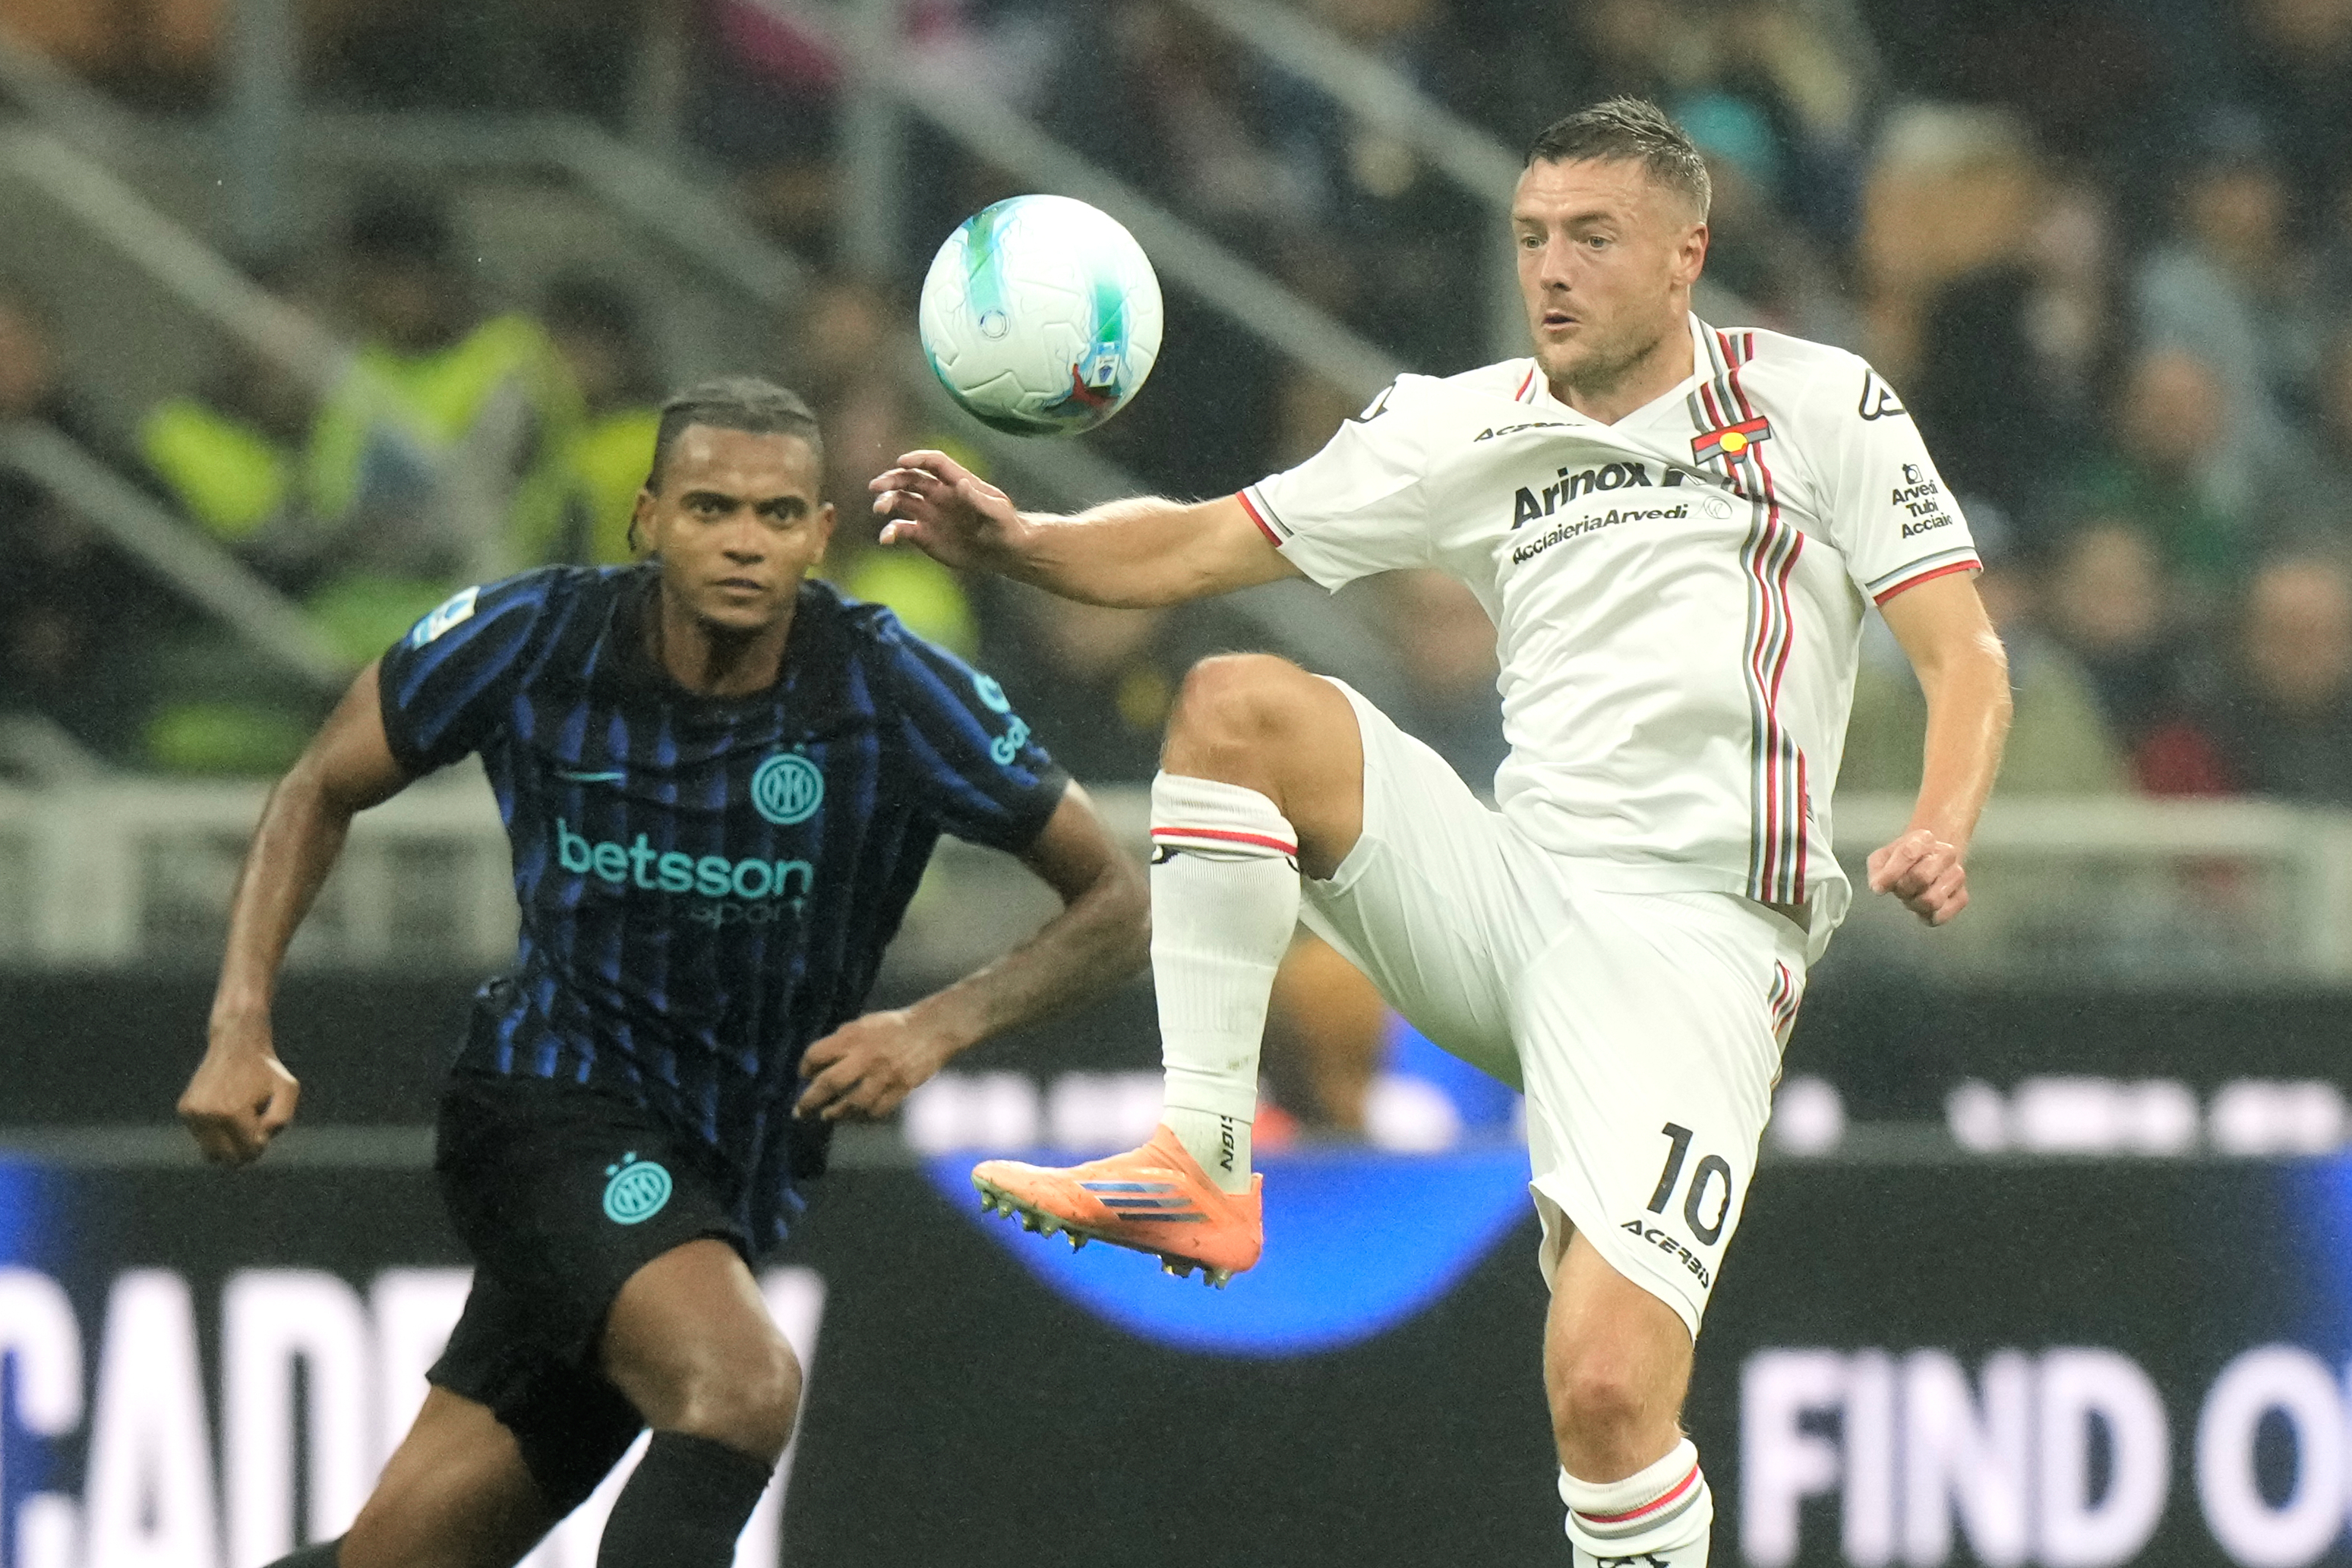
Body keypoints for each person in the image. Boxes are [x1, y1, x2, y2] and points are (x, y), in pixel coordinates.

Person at [870, 99, 2011, 1565]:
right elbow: (1206, 536)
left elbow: (1965, 655)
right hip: (1512, 892)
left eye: (1592, 238)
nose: (1553, 269)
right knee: (1235, 706)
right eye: (1533, 237)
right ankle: (1202, 1160)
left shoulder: (1816, 403)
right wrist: (1024, 540)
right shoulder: (1459, 422)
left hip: (1698, 943)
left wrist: (1941, 822)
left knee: (1604, 1391)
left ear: (1685, 256)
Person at [175, 377, 1148, 1568]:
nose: (744, 539)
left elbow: (1117, 900)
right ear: (646, 518)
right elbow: (319, 783)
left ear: (819, 534)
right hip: (547, 1108)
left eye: (778, 515)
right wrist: (239, 1023)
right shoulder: (534, 635)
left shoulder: (886, 687)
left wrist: (938, 1024)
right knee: (739, 1385)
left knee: (406, 1556)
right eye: (710, 507)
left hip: (725, 1171)